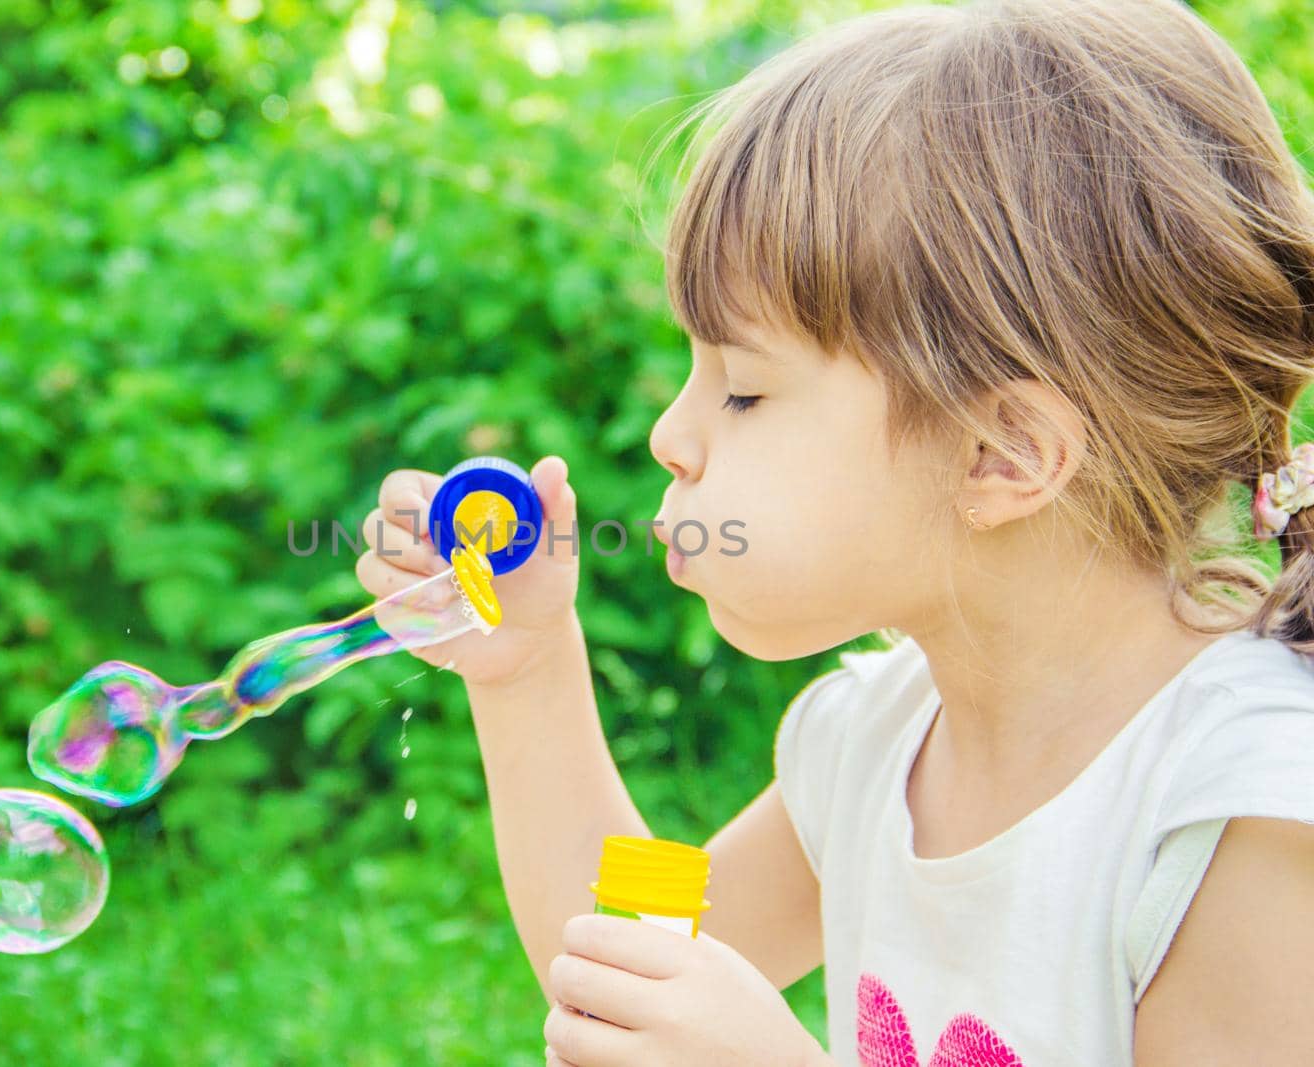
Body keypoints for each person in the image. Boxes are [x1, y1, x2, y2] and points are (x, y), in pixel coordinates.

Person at [355, 0, 1314, 1062]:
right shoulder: (874, 741)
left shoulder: (1241, 816)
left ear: (1002, 455)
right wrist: (526, 672)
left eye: (745, 392)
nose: (671, 433)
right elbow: (625, 973)